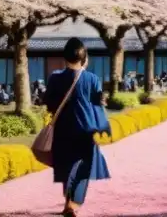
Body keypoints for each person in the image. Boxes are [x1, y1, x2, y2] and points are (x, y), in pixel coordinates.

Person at [45, 37, 111, 217]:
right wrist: (104, 126)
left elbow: (49, 103)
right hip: (85, 129)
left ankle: (68, 202)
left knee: (67, 166)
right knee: (82, 167)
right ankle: (73, 204)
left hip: (63, 129)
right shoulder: (92, 79)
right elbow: (98, 105)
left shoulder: (55, 78)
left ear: (65, 58)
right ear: (85, 58)